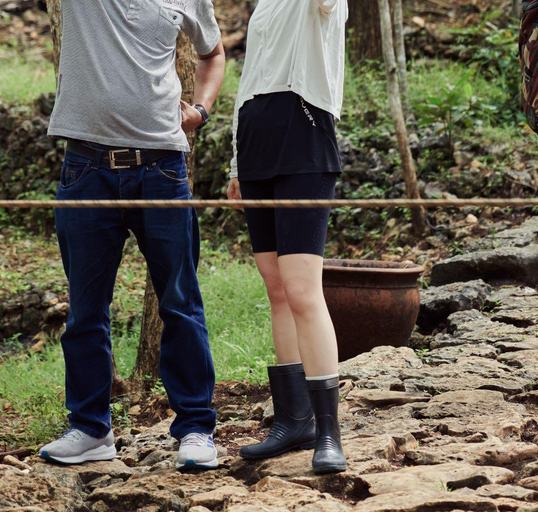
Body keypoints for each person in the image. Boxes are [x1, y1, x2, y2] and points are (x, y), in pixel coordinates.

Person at [38, 1, 225, 471]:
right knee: (85, 309)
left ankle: (196, 427)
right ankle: (91, 428)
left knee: (180, 302)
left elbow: (213, 53)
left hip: (161, 168)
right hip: (86, 168)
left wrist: (200, 110)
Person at [226, 0, 348, 474]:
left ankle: (328, 431)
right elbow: (250, 77)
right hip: (256, 145)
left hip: (304, 139)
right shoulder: (264, 7)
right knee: (277, 289)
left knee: (302, 290)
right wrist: (237, 162)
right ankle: (293, 419)